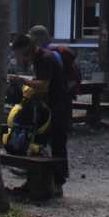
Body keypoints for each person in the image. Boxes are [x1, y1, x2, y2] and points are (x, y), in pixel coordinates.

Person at [11, 31, 71, 197]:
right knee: (37, 141)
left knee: (58, 143)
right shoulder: (38, 59)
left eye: (20, 54)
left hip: (58, 105)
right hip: (47, 105)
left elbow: (44, 85)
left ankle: (58, 182)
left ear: (26, 50)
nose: (20, 58)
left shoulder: (45, 59)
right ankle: (35, 180)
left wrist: (23, 81)